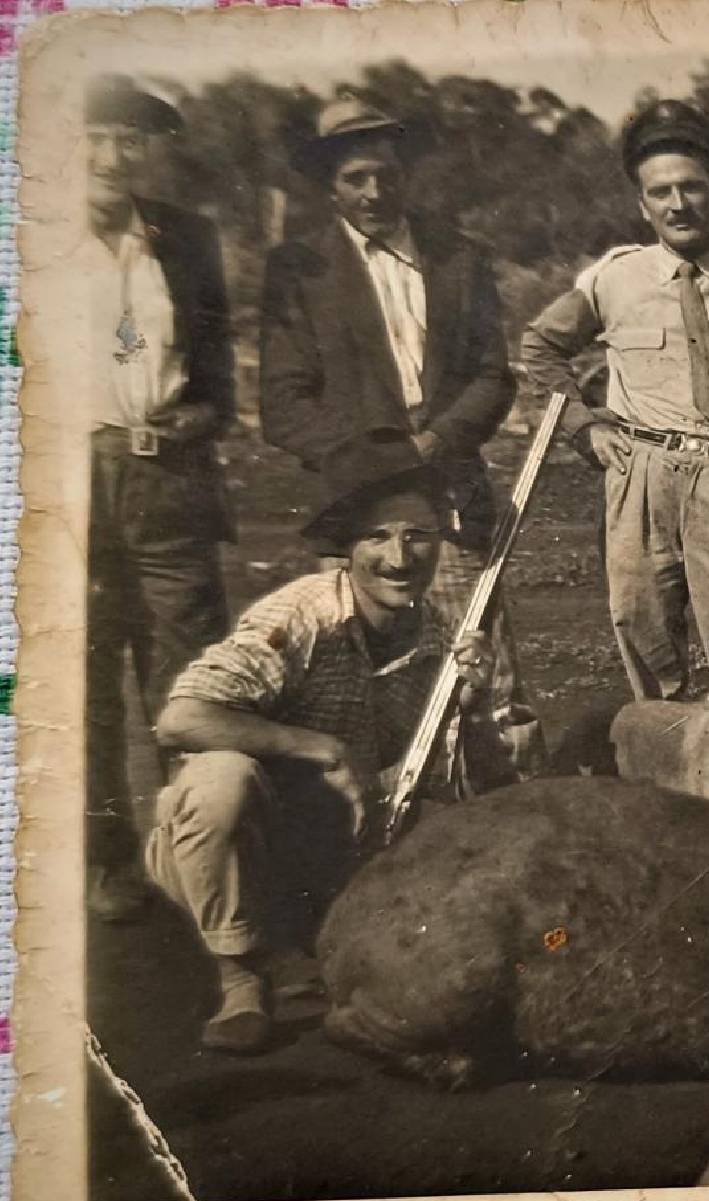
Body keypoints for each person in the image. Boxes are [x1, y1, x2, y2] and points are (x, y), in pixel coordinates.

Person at [145, 431, 522, 1053]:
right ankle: (240, 978)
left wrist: (472, 706)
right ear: (345, 548)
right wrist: (320, 746)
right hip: (233, 844)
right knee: (221, 780)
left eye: (418, 535)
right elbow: (180, 719)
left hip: (330, 846)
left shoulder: (438, 636)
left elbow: (467, 783)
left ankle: (307, 945)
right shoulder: (299, 617)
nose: (399, 557)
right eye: (377, 536)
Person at [260, 96, 540, 773]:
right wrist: (374, 462)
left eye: (386, 174)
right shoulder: (300, 270)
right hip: (356, 507)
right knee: (355, 684)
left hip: (450, 494)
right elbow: (284, 403)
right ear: (330, 185)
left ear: (405, 174)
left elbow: (492, 375)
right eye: (355, 178)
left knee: (486, 673)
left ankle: (511, 805)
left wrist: (436, 442)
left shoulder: (458, 259)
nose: (374, 192)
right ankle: (374, 824)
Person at [521, 100, 709, 700]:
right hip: (638, 475)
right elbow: (540, 348)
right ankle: (663, 752)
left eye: (691, 187)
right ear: (641, 205)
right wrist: (584, 427)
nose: (678, 205)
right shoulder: (613, 278)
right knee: (645, 639)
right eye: (661, 192)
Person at [83, 77, 237, 923]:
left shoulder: (185, 238)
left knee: (189, 676)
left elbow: (216, 378)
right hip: (67, 483)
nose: (111, 157)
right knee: (83, 683)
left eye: (129, 142)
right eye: (95, 138)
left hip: (169, 482)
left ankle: (196, 855)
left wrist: (194, 421)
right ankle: (107, 863)